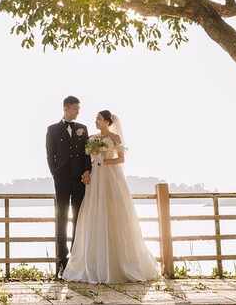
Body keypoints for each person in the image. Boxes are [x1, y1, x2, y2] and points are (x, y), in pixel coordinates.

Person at [62, 109, 160, 283]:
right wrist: (89, 169)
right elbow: (87, 160)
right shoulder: (91, 138)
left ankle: (119, 264)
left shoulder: (116, 138)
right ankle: (94, 264)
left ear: (107, 121)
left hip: (111, 177)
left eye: (99, 119)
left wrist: (104, 161)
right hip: (95, 180)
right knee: (94, 214)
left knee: (114, 214)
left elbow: (121, 159)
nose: (96, 121)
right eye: (96, 119)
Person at [46, 95, 92, 278]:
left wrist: (88, 170)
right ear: (66, 108)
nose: (78, 112)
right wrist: (56, 174)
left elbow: (87, 154)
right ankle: (61, 261)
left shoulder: (83, 128)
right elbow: (50, 156)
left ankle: (76, 260)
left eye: (78, 109)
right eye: (75, 109)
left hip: (80, 180)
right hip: (62, 181)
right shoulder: (52, 129)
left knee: (79, 219)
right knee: (62, 218)